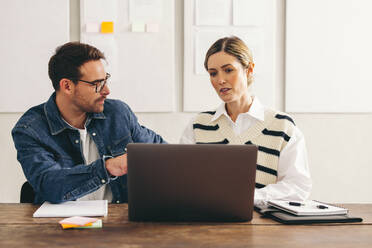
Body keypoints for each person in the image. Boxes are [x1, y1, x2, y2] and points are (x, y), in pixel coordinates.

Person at [12, 42, 165, 204]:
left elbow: (163, 153)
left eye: (105, 80)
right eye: (97, 84)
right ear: (67, 86)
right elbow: (49, 186)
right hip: (61, 224)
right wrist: (107, 168)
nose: (107, 91)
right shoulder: (30, 129)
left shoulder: (117, 113)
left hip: (118, 221)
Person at [180, 36, 312, 205]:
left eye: (228, 70)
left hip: (262, 226)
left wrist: (249, 197)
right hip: (208, 224)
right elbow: (184, 181)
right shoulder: (198, 125)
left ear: (249, 70)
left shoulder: (282, 126)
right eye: (213, 73)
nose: (220, 80)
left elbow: (298, 186)